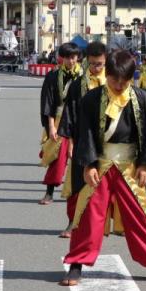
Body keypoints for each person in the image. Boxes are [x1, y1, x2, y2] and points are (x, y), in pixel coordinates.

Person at [62, 49, 146, 287]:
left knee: (142, 216)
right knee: (87, 215)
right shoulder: (91, 99)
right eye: (115, 79)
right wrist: (88, 164)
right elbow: (86, 134)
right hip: (100, 164)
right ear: (107, 74)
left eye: (125, 80)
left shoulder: (142, 99)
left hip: (130, 166)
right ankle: (76, 265)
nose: (120, 84)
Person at [58, 41, 108, 237]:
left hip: (107, 142)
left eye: (100, 64)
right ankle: (73, 222)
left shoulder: (113, 83)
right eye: (93, 63)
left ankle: (108, 224)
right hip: (82, 142)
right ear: (86, 61)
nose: (96, 68)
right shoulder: (78, 85)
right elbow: (69, 115)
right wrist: (70, 141)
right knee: (78, 183)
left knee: (109, 185)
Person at [39, 43, 81, 205]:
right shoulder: (53, 76)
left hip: (80, 121)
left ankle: (80, 196)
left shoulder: (84, 77)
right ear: (61, 58)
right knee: (57, 158)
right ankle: (49, 192)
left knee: (82, 159)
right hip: (59, 121)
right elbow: (48, 103)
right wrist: (51, 126)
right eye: (68, 58)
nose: (71, 61)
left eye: (74, 57)